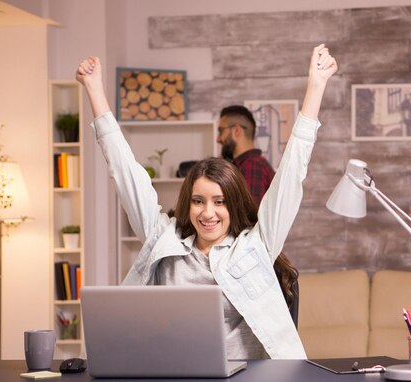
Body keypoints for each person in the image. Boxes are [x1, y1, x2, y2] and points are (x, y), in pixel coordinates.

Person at [75, 44, 337, 360]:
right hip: (176, 371)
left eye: (220, 202)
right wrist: (94, 90)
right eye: (198, 201)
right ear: (188, 203)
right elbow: (125, 172)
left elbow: (293, 172)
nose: (208, 213)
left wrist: (316, 86)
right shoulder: (163, 239)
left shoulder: (257, 245)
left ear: (234, 205)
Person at [217, 105, 275, 205]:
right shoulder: (247, 165)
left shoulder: (252, 166)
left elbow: (249, 218)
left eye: (221, 131)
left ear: (236, 130)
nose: (218, 139)